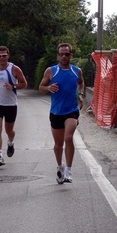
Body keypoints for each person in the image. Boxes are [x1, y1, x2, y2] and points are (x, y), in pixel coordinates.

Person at [39, 43, 84, 183]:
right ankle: (60, 167)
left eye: (67, 54)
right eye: (61, 54)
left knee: (68, 138)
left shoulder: (77, 71)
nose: (64, 57)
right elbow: (41, 87)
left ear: (71, 55)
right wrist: (48, 87)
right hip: (56, 112)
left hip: (72, 111)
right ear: (58, 56)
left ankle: (69, 171)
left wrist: (81, 93)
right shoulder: (51, 71)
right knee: (58, 144)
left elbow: (81, 83)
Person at [0, 46, 28, 167]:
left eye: (4, 55)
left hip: (10, 104)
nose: (1, 58)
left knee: (9, 130)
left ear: (8, 56)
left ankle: (10, 142)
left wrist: (13, 86)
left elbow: (24, 83)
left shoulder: (14, 69)